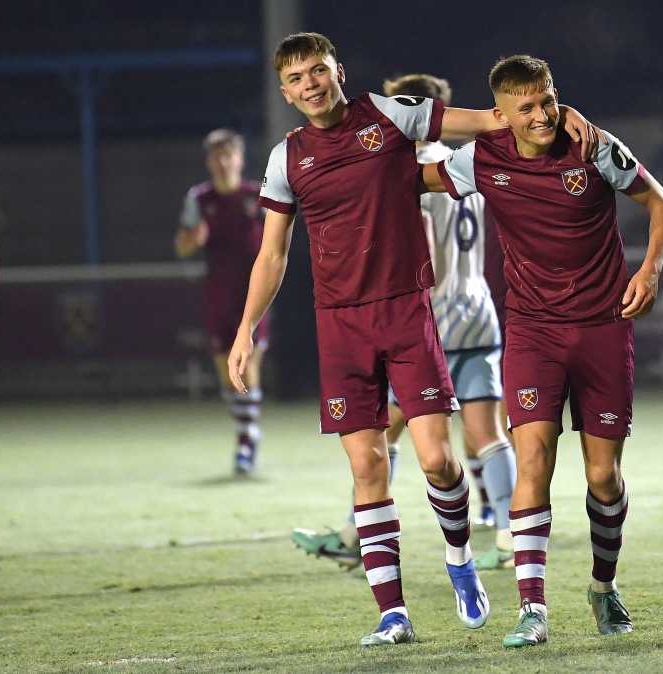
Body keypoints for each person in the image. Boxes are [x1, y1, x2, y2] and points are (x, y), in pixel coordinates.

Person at [228, 33, 598, 647]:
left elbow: (488, 118)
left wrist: (565, 114)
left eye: (317, 71)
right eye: (295, 79)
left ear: (337, 71)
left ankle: (458, 559)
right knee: (369, 464)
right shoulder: (285, 158)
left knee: (437, 460)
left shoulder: (391, 113)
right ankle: (392, 614)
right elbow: (272, 254)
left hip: (406, 312)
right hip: (339, 324)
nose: (310, 85)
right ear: (286, 92)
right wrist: (246, 328)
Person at [421, 54, 663, 647]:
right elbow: (415, 179)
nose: (542, 115)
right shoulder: (482, 158)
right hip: (533, 329)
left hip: (603, 326)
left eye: (548, 100)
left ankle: (603, 586)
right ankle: (531, 609)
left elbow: (662, 204)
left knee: (603, 475)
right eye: (526, 107)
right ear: (502, 116)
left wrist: (651, 270)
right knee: (533, 460)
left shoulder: (592, 147)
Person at [291, 73, 517, 572]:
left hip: (424, 320)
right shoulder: (463, 164)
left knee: (381, 435)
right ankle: (510, 531)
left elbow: (418, 246)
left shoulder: (407, 170)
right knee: (487, 433)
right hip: (477, 311)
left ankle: (354, 533)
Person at [178, 129, 269, 475]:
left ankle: (245, 442)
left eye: (228, 154)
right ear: (209, 161)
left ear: (240, 159)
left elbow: (278, 239)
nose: (223, 161)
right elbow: (182, 245)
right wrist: (192, 238)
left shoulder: (257, 196)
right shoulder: (199, 198)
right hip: (218, 291)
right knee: (226, 370)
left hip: (255, 293)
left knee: (248, 365)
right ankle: (247, 430)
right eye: (217, 155)